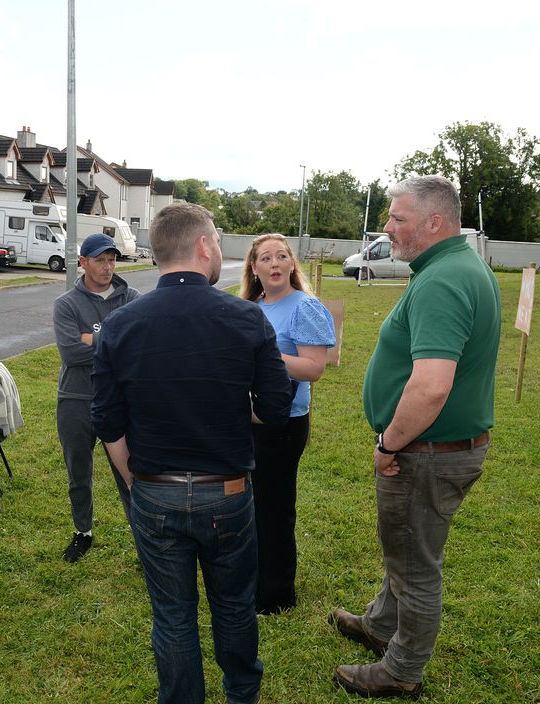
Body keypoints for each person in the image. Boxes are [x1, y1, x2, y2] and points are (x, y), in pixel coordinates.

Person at [92, 202, 292, 704]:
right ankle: (242, 694)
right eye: (218, 242)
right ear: (203, 246)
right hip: (225, 492)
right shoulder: (246, 318)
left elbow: (107, 420)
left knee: (173, 615)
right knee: (233, 606)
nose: (220, 250)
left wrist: (135, 482)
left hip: (154, 492)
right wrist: (225, 402)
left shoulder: (119, 324)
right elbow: (274, 407)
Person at [330, 176, 501, 698]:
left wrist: (389, 444)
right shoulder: (459, 267)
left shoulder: (443, 280)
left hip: (425, 452)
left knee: (414, 565)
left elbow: (430, 387)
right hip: (440, 449)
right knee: (405, 547)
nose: (387, 227)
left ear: (434, 222)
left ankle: (402, 669)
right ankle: (382, 624)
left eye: (398, 218)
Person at [239, 234, 335, 614]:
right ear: (255, 268)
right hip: (246, 419)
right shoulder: (251, 306)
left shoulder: (304, 307)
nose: (275, 263)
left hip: (282, 423)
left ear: (293, 265)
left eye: (282, 256)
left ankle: (276, 595)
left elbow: (314, 369)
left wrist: (266, 356)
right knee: (250, 505)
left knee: (274, 508)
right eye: (266, 257)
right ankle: (253, 579)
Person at [53, 233, 139, 563]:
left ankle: (144, 539)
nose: (107, 267)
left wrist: (93, 337)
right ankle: (83, 532)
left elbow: (136, 347)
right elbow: (71, 353)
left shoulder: (131, 297)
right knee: (78, 472)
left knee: (130, 474)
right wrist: (113, 341)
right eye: (100, 260)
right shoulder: (66, 304)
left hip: (120, 400)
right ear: (83, 262)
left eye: (112, 260)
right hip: (75, 398)